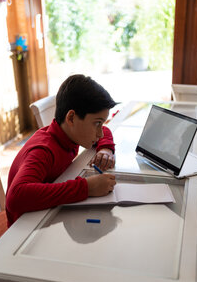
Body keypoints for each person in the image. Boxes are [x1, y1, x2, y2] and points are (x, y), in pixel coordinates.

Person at [6, 74, 117, 228]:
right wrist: (86, 188)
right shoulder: (43, 150)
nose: (100, 134)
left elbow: (105, 131)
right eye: (96, 123)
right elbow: (16, 197)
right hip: (26, 227)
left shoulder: (71, 134)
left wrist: (105, 149)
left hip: (50, 213)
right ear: (71, 118)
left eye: (101, 123)